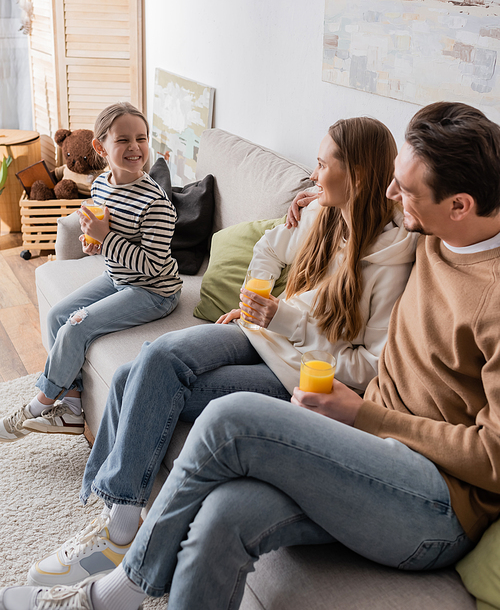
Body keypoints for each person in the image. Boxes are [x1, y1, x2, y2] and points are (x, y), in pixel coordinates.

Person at [3, 101, 500, 610]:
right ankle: (115, 547)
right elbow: (369, 208)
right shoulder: (432, 235)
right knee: (222, 510)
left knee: (229, 417)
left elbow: (494, 455)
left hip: (434, 498)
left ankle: (105, 595)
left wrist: (363, 411)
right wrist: (325, 197)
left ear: (459, 204)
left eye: (406, 190)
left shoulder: (465, 275)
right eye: (391, 182)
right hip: (367, 437)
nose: (393, 196)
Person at [0, 102, 182, 442]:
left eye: (141, 138)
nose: (135, 147)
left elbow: (154, 265)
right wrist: (93, 244)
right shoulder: (100, 185)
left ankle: (37, 406)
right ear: (100, 147)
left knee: (75, 326)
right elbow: (100, 240)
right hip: (117, 277)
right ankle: (71, 408)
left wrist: (106, 239)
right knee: (57, 316)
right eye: (123, 139)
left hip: (154, 291)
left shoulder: (156, 203)